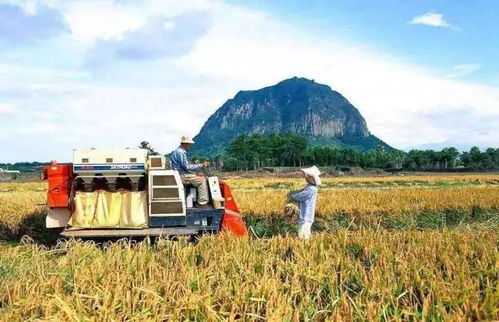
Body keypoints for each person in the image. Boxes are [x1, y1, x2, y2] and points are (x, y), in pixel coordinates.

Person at [170, 136, 210, 206]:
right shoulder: (180, 153)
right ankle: (202, 202)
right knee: (202, 180)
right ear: (185, 144)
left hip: (181, 173)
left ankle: (195, 200)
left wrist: (195, 173)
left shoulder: (179, 151)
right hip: (182, 175)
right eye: (190, 144)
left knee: (199, 176)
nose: (190, 146)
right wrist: (201, 165)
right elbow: (186, 167)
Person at [289, 166, 321, 239]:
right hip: (305, 214)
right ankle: (306, 245)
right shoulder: (310, 187)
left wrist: (292, 196)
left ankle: (305, 246)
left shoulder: (311, 189)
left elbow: (301, 196)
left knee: (303, 233)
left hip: (306, 214)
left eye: (306, 176)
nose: (305, 178)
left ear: (311, 178)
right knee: (303, 232)